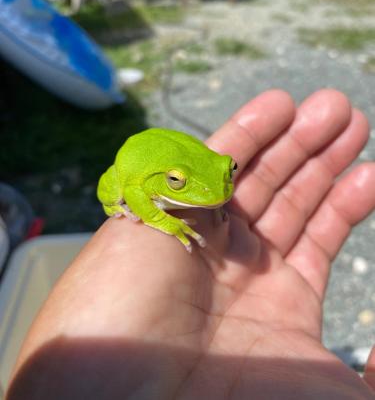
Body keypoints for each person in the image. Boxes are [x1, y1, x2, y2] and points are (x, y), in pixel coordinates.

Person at [6, 89, 375, 399]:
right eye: (179, 183)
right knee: (115, 186)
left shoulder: (215, 182)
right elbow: (134, 186)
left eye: (230, 171)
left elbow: (210, 178)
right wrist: (160, 218)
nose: (221, 190)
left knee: (207, 184)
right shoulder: (150, 181)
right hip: (136, 172)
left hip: (179, 160)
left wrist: (211, 183)